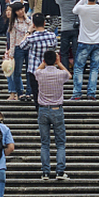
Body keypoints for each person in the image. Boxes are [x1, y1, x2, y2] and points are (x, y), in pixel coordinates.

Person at [33, 48, 70, 180]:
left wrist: (44, 62)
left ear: (43, 60)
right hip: (57, 109)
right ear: (55, 60)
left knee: (45, 143)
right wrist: (59, 63)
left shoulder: (40, 74)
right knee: (60, 143)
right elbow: (69, 75)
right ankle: (60, 171)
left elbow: (35, 71)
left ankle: (45, 172)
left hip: (43, 109)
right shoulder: (60, 74)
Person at [71, 0, 99, 99]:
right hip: (97, 41)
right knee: (94, 68)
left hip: (84, 40)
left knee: (78, 67)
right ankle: (91, 93)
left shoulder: (82, 8)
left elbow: (74, 10)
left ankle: (77, 92)